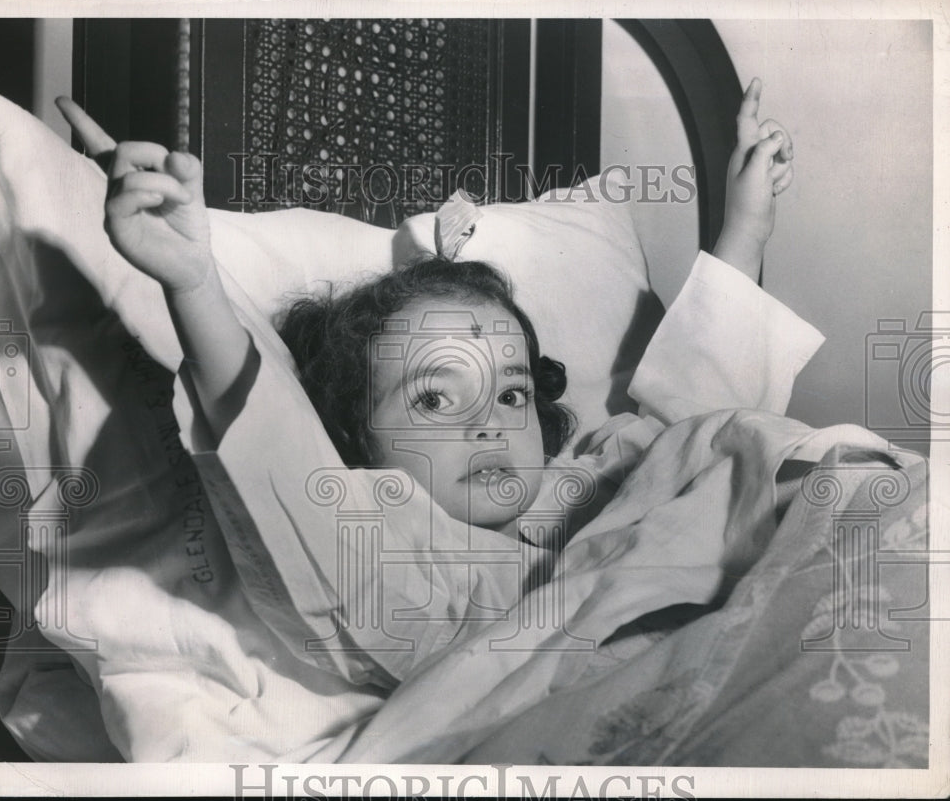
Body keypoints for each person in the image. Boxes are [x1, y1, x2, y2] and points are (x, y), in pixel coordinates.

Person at [56, 78, 812, 685]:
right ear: (355, 440)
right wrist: (194, 285)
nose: (489, 421)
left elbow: (702, 416)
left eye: (512, 391)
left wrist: (745, 227)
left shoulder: (594, 471)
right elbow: (280, 459)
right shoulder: (399, 557)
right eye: (434, 398)